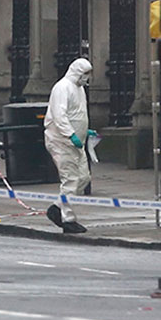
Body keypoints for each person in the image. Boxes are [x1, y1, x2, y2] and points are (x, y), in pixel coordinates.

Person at [44, 57, 96, 234]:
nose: (86, 77)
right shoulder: (62, 87)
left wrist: (84, 131)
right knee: (71, 180)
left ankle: (57, 208)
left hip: (76, 142)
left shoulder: (79, 89)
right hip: (61, 141)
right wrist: (71, 134)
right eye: (84, 73)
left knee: (83, 178)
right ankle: (68, 220)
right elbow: (60, 115)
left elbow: (78, 113)